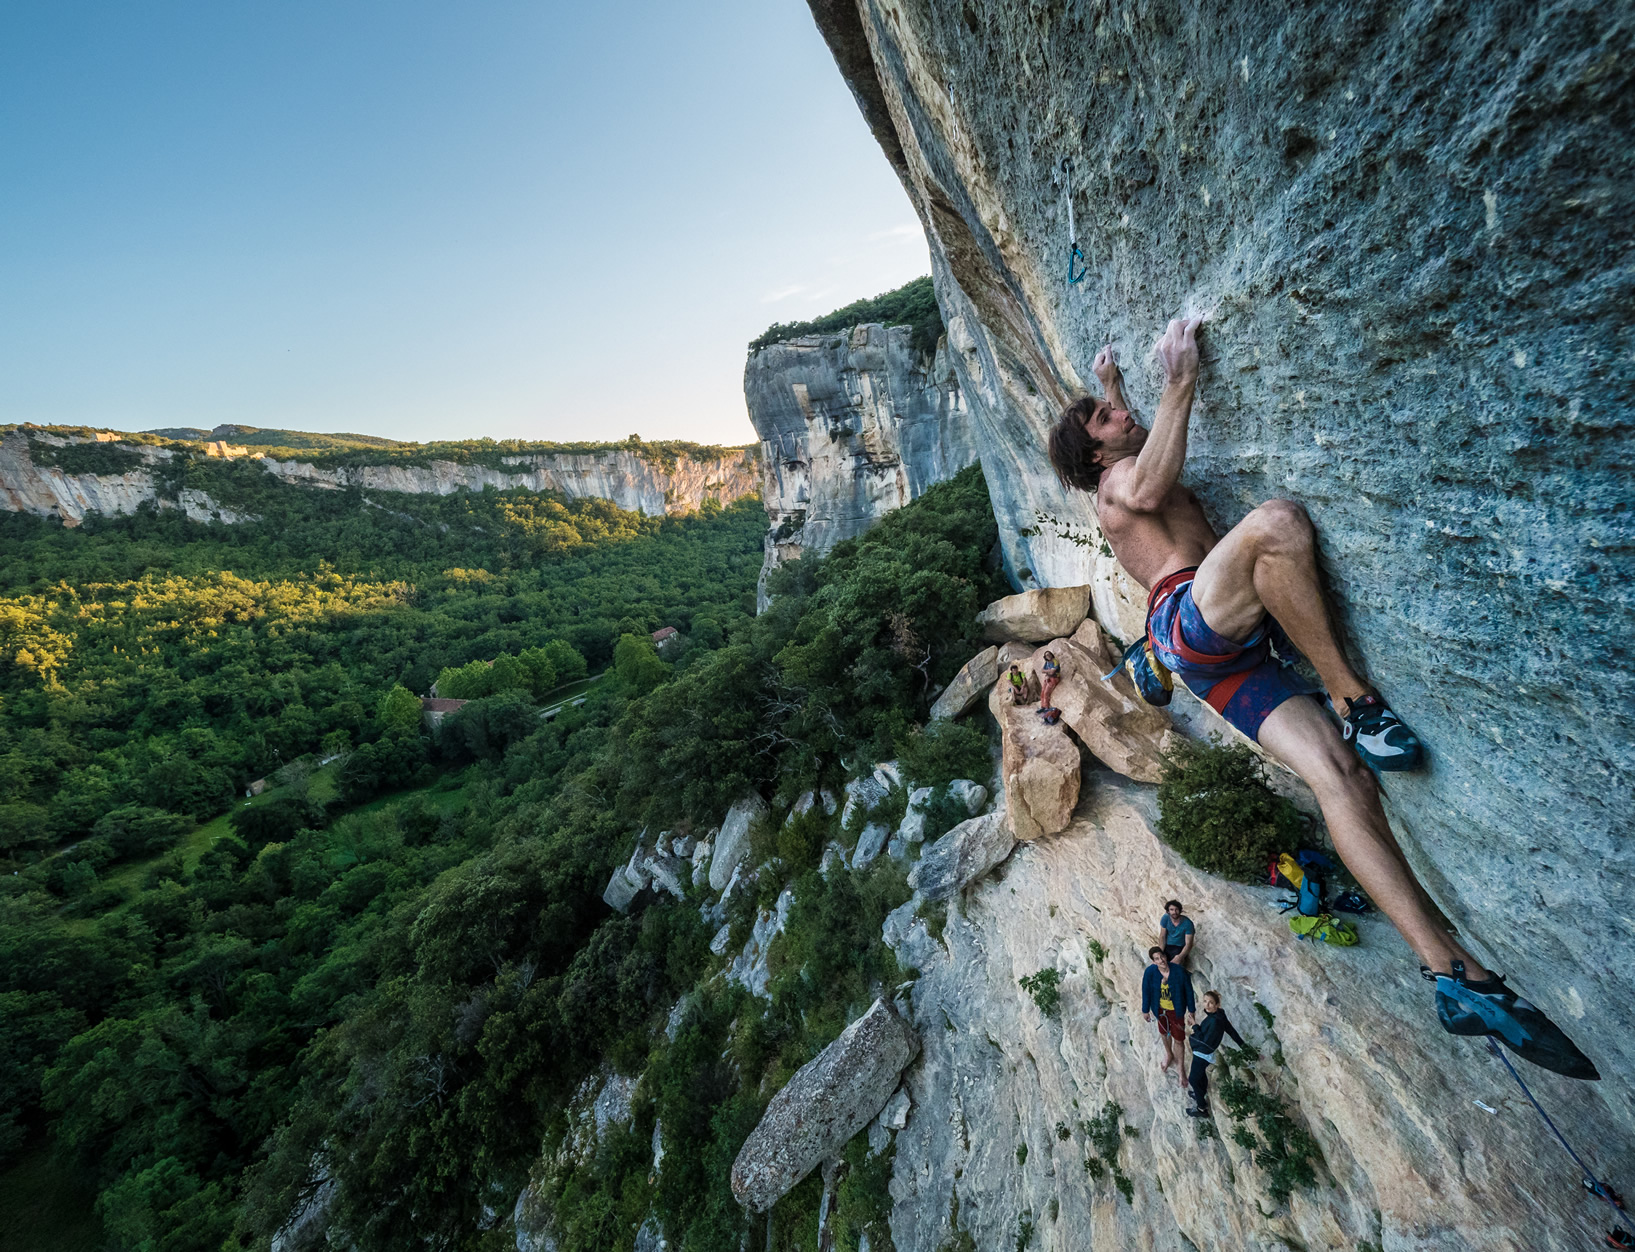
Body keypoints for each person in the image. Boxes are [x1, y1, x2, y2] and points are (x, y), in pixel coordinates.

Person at [1047, 318, 1596, 1081]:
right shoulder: (1113, 487)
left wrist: (1107, 384)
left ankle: (1451, 975)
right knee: (1273, 525)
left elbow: (1125, 438)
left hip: (1212, 657)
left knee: (1340, 779)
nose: (1120, 412)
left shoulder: (1113, 453)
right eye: (1107, 419)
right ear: (1097, 455)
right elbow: (1139, 480)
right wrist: (1179, 380)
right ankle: (1354, 699)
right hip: (1189, 620)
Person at [1140, 946, 1195, 1088]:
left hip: (1176, 1010)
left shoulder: (1178, 971)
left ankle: (1181, 1068)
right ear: (1154, 962)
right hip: (1160, 1010)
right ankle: (1169, 1054)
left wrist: (1192, 1011)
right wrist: (1145, 1010)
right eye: (1157, 959)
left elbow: (1189, 991)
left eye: (1162, 956)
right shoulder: (1150, 972)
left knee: (1179, 1039)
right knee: (1164, 1033)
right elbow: (1146, 991)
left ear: (1165, 956)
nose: (1161, 960)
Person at [1185, 990, 1246, 1117]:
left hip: (1202, 1053)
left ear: (1217, 1005)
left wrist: (1195, 1026)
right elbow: (1232, 1032)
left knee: (1193, 1079)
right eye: (1205, 1001)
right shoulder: (1219, 1015)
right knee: (1200, 1074)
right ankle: (1199, 1094)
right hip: (1206, 1053)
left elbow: (1204, 1040)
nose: (1207, 1005)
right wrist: (1246, 1049)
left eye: (1211, 1003)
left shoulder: (1215, 1021)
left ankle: (1201, 1108)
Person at [1159, 899, 1195, 965]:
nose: (1174, 912)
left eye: (1176, 909)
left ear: (1180, 910)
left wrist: (1180, 957)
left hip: (1179, 947)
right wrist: (1160, 953)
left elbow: (1189, 944)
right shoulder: (1165, 918)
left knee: (1174, 966)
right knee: (1158, 964)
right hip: (1167, 946)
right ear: (1168, 911)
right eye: (1171, 910)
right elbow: (1162, 936)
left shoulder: (1188, 923)